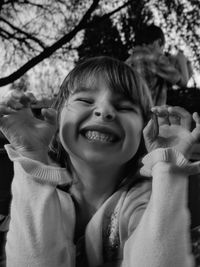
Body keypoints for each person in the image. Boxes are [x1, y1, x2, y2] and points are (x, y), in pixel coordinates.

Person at [0, 56, 200, 267]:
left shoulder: (145, 202)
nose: (104, 112)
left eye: (124, 107)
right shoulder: (21, 193)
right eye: (85, 100)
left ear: (144, 131)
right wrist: (31, 154)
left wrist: (167, 167)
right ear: (56, 119)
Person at [126, 24, 193, 106]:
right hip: (149, 116)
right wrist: (182, 59)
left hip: (130, 115)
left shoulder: (127, 62)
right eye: (162, 49)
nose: (162, 53)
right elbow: (183, 82)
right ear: (158, 42)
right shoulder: (155, 58)